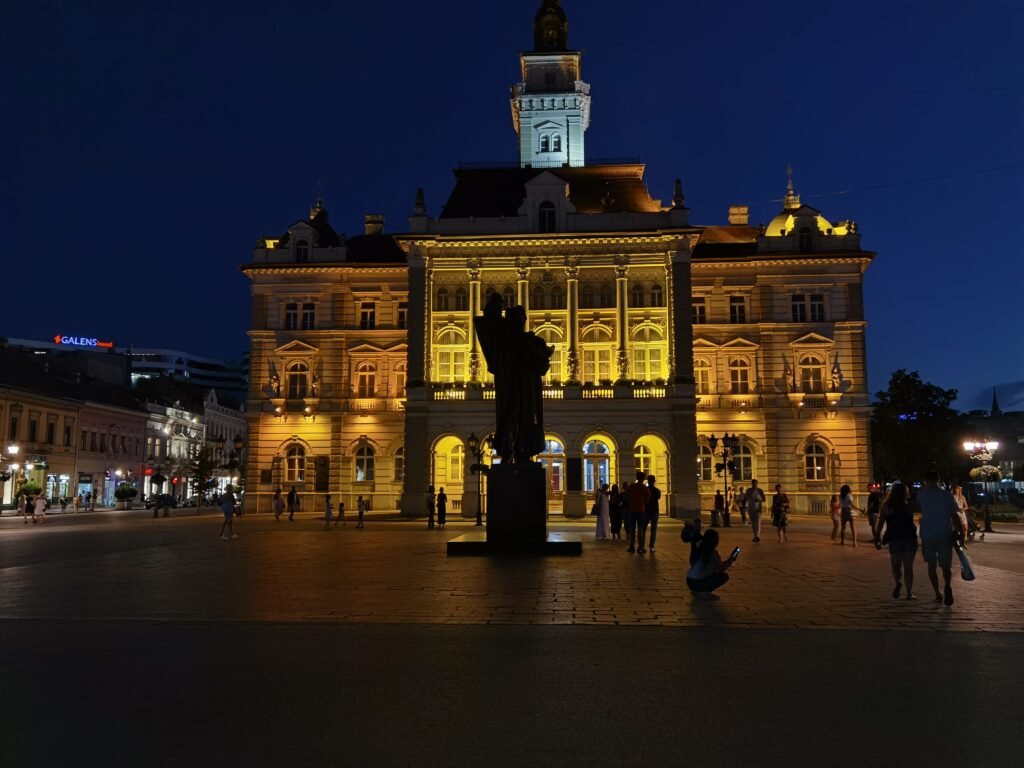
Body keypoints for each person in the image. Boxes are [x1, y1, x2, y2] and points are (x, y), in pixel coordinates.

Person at [917, 471, 960, 606]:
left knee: (931, 565)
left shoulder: (921, 495)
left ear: (925, 481)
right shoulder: (947, 495)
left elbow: (915, 508)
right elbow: (955, 516)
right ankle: (947, 585)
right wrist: (960, 534)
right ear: (938, 480)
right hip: (944, 534)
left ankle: (937, 592)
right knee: (946, 565)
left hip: (927, 534)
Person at [875, 482, 918, 600]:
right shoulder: (909, 505)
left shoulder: (887, 506)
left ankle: (898, 582)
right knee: (908, 567)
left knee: (896, 566)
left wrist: (877, 537)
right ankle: (909, 593)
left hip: (895, 538)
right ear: (904, 493)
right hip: (909, 537)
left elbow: (880, 523)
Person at [686, 529, 737, 600]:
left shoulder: (700, 548)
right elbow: (720, 568)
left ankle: (697, 591)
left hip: (690, 581)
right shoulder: (713, 553)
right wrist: (729, 561)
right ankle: (705, 593)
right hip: (698, 582)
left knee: (711, 574)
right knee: (723, 576)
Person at [625, 470, 650, 553]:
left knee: (632, 528)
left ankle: (631, 546)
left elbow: (626, 497)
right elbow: (647, 501)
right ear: (643, 479)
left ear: (636, 477)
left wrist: (631, 502)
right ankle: (640, 547)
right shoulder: (645, 488)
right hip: (641, 510)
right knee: (640, 529)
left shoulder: (631, 487)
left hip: (632, 509)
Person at [646, 475, 662, 551]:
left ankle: (642, 545)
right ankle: (651, 546)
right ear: (654, 481)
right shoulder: (657, 491)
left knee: (643, 528)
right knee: (653, 529)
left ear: (648, 481)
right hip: (655, 511)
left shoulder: (645, 490)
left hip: (646, 511)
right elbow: (658, 498)